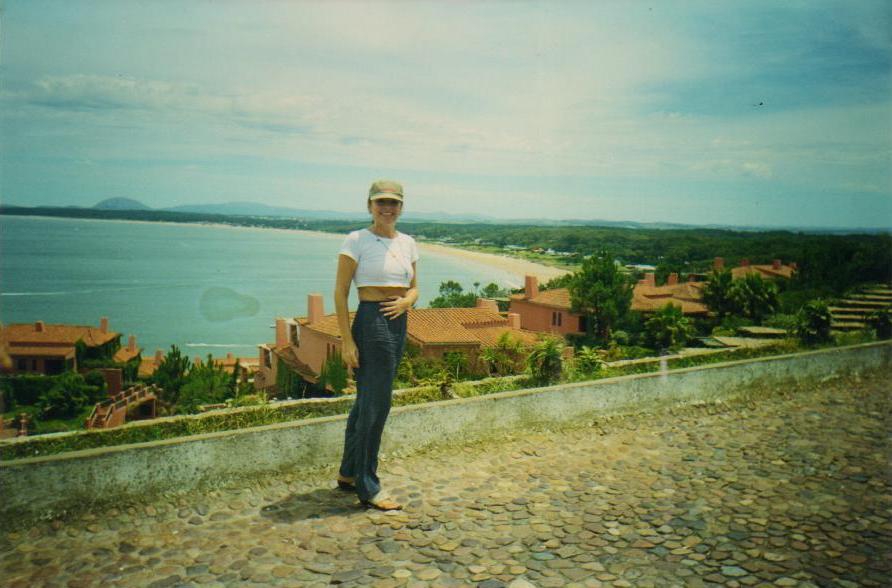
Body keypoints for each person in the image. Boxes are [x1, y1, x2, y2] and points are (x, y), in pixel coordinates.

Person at [334, 179, 419, 511]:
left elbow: (414, 288)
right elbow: (341, 292)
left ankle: (348, 473)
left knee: (365, 402)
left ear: (401, 207)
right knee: (377, 404)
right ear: (369, 205)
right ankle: (368, 486)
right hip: (371, 321)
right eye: (381, 202)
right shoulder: (356, 240)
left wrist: (406, 302)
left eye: (394, 202)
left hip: (399, 321)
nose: (387, 208)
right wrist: (346, 340)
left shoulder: (409, 243)